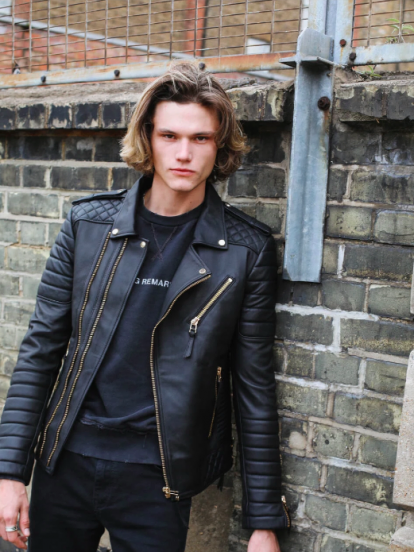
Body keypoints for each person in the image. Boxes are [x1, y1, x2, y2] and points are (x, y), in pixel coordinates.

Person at [0, 61, 289, 552]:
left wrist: (263, 522)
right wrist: (9, 473)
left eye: (200, 138)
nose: (183, 153)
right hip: (65, 462)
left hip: (158, 479)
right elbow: (40, 349)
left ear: (219, 146)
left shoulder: (246, 250)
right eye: (169, 135)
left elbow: (254, 385)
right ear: (148, 139)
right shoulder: (88, 225)